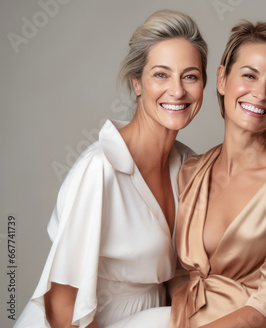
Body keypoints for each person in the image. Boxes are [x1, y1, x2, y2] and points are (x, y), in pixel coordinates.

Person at [14, 9, 207, 328]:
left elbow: (177, 270)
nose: (177, 90)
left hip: (147, 318)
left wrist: (198, 308)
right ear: (137, 84)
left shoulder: (188, 165)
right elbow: (61, 304)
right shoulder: (99, 169)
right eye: (161, 74)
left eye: (190, 76)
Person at [169, 21, 266, 328]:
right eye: (249, 76)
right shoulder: (190, 170)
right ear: (222, 79)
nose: (260, 93)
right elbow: (176, 274)